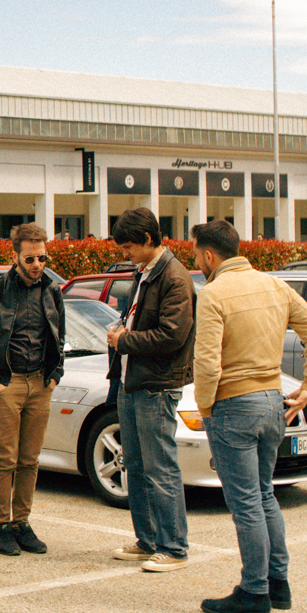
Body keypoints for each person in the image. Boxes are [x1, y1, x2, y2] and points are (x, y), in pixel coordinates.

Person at [191, 219, 307, 613]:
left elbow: (207, 360)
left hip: (234, 404)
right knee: (265, 494)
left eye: (196, 254)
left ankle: (253, 592)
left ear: (210, 255)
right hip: (273, 401)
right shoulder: (274, 284)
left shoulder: (214, 293)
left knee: (246, 502)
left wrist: (205, 407)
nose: (196, 261)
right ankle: (277, 583)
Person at [0, 223, 64, 556]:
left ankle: (22, 523)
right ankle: (1, 526)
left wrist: (54, 374)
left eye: (42, 258)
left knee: (30, 459)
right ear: (16, 256)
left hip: (39, 383)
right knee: (5, 458)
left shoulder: (51, 291)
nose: (37, 265)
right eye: (31, 259)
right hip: (7, 384)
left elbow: (58, 336)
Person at [105, 208, 196, 573]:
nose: (125, 253)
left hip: (156, 385)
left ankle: (173, 547)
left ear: (147, 239)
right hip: (133, 381)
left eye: (128, 246)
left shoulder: (174, 277)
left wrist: (125, 340)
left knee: (161, 469)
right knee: (138, 467)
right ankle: (148, 541)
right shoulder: (144, 272)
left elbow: (172, 335)